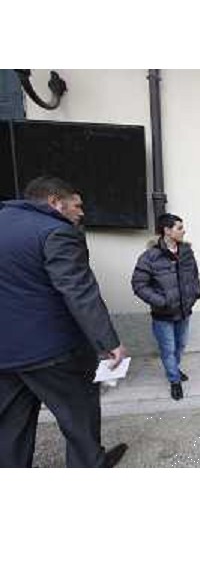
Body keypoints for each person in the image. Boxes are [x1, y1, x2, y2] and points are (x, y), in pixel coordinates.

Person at [0, 176, 128, 468]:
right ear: (55, 202)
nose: (81, 212)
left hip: (4, 355)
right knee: (78, 418)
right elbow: (79, 291)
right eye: (76, 205)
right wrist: (109, 342)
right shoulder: (56, 232)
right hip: (52, 353)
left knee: (10, 428)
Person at [131, 213, 200, 401]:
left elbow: (194, 276)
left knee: (181, 345)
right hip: (163, 315)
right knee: (168, 348)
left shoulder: (186, 252)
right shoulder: (150, 257)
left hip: (184, 311)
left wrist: (195, 294)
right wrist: (161, 301)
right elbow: (139, 285)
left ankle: (174, 369)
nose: (183, 230)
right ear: (167, 230)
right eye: (179, 227)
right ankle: (174, 381)